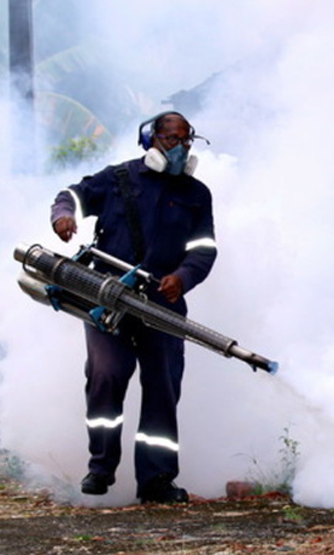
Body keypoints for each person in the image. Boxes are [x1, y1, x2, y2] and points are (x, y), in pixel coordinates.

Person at [50, 111, 217, 504]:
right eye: (172, 140)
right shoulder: (119, 179)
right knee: (106, 375)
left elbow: (204, 249)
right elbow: (72, 195)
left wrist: (183, 277)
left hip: (163, 302)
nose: (180, 148)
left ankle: (156, 481)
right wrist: (64, 215)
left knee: (162, 387)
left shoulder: (196, 194)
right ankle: (100, 468)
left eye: (186, 140)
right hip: (108, 297)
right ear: (151, 141)